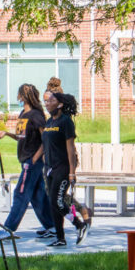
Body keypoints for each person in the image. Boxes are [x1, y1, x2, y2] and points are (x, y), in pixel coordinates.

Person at [0, 84, 55, 238]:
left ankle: (8, 229)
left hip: (32, 162)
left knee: (20, 193)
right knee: (37, 195)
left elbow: (45, 139)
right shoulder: (23, 113)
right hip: (25, 160)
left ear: (24, 96)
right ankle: (52, 226)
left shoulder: (36, 115)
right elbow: (21, 136)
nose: (18, 98)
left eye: (19, 95)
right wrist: (6, 134)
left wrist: (35, 158)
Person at [42, 91, 90, 247]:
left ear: (60, 104)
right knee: (52, 203)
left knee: (57, 202)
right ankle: (60, 238)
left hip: (62, 168)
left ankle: (79, 225)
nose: (47, 103)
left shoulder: (65, 122)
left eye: (51, 100)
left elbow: (70, 149)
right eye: (47, 101)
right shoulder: (49, 122)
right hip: (49, 168)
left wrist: (71, 172)